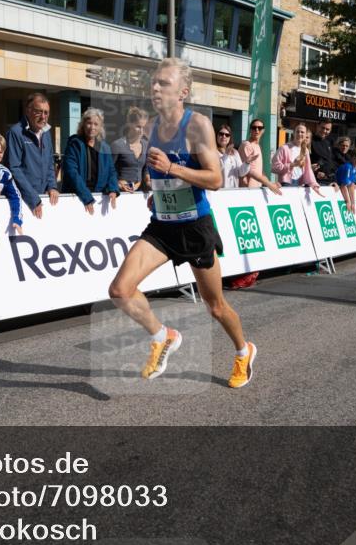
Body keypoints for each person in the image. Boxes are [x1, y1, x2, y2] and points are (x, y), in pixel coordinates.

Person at [108, 58, 257, 389]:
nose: (155, 87)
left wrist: (172, 169)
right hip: (162, 225)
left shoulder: (198, 125)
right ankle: (163, 336)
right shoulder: (150, 128)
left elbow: (215, 179)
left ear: (183, 92)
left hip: (195, 226)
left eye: (164, 83)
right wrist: (157, 191)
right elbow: (157, 173)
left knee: (215, 307)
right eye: (154, 82)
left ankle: (243, 350)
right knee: (119, 290)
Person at [6, 92, 59, 218]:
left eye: (46, 112)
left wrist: (52, 186)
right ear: (28, 111)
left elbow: (50, 164)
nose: (43, 117)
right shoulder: (16, 132)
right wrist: (33, 198)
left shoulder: (46, 133)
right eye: (38, 112)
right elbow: (14, 168)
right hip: (23, 201)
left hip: (42, 198)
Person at [61, 107, 119, 214]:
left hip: (98, 198)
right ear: (83, 125)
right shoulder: (74, 144)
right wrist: (86, 196)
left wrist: (113, 189)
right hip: (76, 198)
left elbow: (111, 171)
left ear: (100, 127)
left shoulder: (105, 148)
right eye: (89, 123)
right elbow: (71, 172)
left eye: (96, 124)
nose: (92, 127)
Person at [271, 123, 322, 191]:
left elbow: (308, 170)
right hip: (287, 183)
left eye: (302, 132)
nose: (299, 134)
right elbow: (274, 167)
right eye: (297, 131)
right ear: (294, 133)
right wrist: (292, 165)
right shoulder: (284, 148)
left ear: (305, 135)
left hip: (301, 183)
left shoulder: (305, 150)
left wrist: (314, 184)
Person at [111, 106, 150, 192]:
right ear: (129, 124)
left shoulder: (146, 145)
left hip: (140, 193)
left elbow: (146, 169)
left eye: (144, 128)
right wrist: (118, 183)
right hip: (120, 193)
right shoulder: (118, 145)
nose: (141, 131)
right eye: (138, 127)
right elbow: (108, 170)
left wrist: (148, 180)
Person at [238, 119, 282, 194]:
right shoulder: (246, 145)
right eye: (254, 127)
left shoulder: (258, 146)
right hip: (247, 189)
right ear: (250, 130)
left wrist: (270, 183)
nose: (257, 130)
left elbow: (260, 171)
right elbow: (249, 171)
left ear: (263, 130)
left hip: (256, 188)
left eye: (260, 128)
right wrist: (269, 184)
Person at [216, 123, 248, 188]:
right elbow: (216, 169)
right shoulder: (213, 151)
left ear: (230, 138)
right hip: (220, 191)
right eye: (221, 134)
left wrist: (247, 163)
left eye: (227, 135)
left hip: (233, 190)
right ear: (216, 135)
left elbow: (241, 173)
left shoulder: (235, 152)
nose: (224, 136)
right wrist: (226, 155)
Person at [336, 147, 356, 212]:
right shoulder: (348, 167)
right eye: (355, 158)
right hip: (334, 185)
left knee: (352, 185)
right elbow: (343, 186)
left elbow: (351, 183)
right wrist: (348, 202)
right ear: (351, 157)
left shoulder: (355, 169)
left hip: (343, 185)